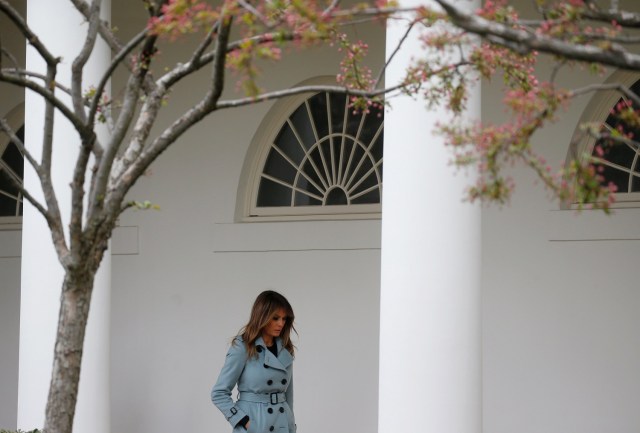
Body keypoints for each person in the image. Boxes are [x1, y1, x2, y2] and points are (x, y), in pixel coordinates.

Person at [212, 290, 297, 433]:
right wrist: (244, 421)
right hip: (255, 423)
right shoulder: (243, 346)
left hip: (282, 423)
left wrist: (291, 425)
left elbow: (288, 394)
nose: (281, 324)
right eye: (275, 318)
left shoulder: (285, 348)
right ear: (262, 317)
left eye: (284, 319)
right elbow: (219, 393)